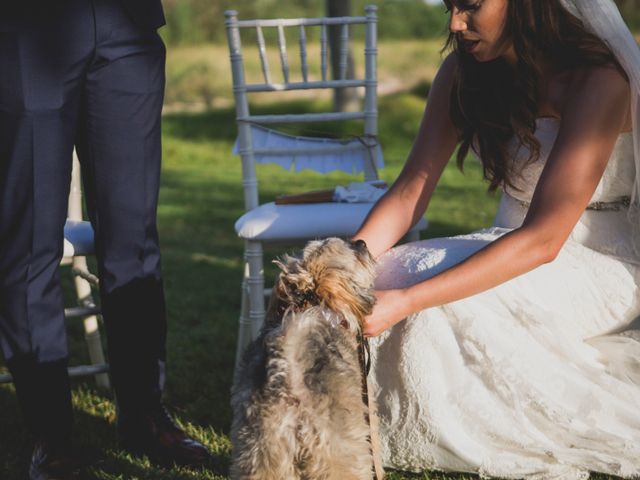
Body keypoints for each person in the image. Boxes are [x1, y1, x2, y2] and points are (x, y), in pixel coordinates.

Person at [354, 0, 640, 477]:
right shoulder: (463, 72)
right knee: (387, 271)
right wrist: (340, 266)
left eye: (471, 6)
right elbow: (408, 194)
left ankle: (482, 433)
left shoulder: (600, 81)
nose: (454, 23)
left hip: (599, 260)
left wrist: (405, 301)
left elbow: (546, 239)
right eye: (449, 6)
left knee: (432, 304)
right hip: (509, 236)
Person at [0, 1, 211, 478]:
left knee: (133, 236)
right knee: (30, 244)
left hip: (125, 24)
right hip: (26, 26)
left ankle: (144, 415)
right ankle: (50, 434)